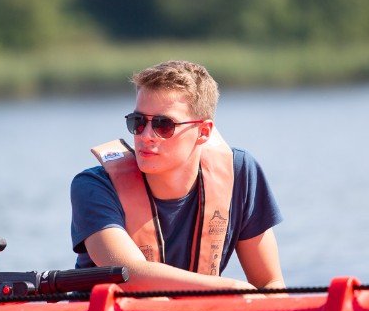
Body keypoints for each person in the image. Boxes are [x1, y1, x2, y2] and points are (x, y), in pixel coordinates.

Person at [70, 60, 284, 290]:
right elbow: (126, 274)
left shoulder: (240, 173)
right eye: (138, 122)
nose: (146, 135)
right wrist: (230, 289)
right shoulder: (94, 186)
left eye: (164, 125)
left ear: (203, 132)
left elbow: (270, 282)